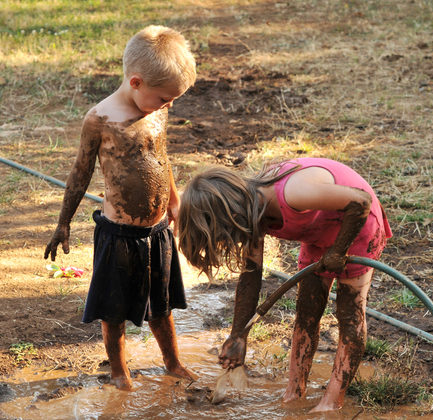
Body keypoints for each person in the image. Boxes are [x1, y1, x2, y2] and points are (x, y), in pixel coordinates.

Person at [44, 25, 197, 390]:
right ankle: (119, 371)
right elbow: (80, 173)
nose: (169, 105)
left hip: (157, 231)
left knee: (162, 306)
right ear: (136, 82)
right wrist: (62, 224)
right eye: (164, 97)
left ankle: (172, 362)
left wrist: (174, 202)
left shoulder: (156, 109)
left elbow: (162, 157)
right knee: (113, 311)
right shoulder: (100, 119)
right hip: (119, 234)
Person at [178, 157, 392, 412]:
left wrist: (338, 251)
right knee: (307, 311)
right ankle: (294, 392)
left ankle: (332, 402)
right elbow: (251, 275)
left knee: (349, 313)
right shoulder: (251, 211)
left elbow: (361, 201)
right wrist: (239, 335)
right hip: (318, 232)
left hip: (356, 226)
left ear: (230, 215)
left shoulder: (293, 193)